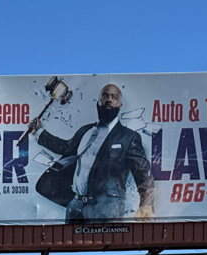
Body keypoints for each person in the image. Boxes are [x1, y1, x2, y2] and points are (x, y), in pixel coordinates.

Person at [28, 82, 155, 221]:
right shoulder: (85, 131)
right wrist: (39, 132)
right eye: (105, 96)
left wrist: (146, 205)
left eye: (114, 97)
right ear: (98, 102)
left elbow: (144, 173)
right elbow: (65, 147)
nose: (109, 100)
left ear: (120, 105)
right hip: (76, 206)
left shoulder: (129, 137)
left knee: (104, 244)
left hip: (107, 211)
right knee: (70, 243)